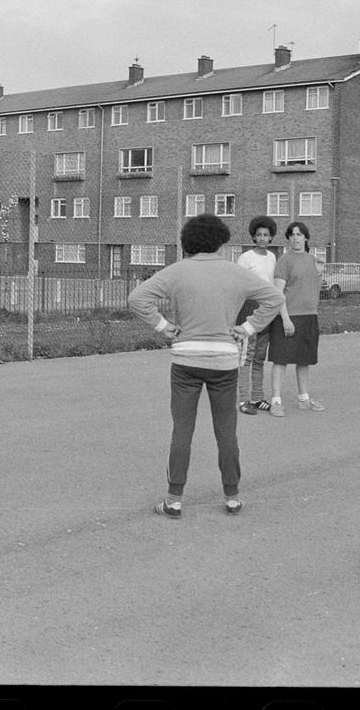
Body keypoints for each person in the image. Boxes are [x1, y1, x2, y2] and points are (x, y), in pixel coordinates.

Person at [128, 214, 284, 519]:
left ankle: (174, 499)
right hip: (224, 361)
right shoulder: (235, 272)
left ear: (189, 242)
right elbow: (275, 298)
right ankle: (232, 497)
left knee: (182, 431)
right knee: (226, 431)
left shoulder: (177, 271)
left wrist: (163, 326)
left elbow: (138, 298)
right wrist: (249, 328)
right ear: (220, 240)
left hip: (185, 359)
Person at [267, 221, 326, 416]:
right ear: (288, 239)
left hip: (309, 316)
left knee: (304, 360)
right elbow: (278, 293)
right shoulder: (284, 260)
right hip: (289, 317)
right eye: (292, 235)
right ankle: (276, 401)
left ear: (306, 237)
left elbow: (312, 286)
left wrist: (320, 273)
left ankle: (304, 399)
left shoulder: (312, 260)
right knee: (281, 360)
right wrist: (285, 319)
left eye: (299, 234)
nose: (295, 238)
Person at [235, 216, 278, 416]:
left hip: (267, 309)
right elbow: (239, 287)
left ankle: (257, 398)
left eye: (266, 235)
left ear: (271, 238)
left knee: (260, 357)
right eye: (259, 235)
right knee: (247, 356)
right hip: (249, 309)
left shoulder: (272, 257)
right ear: (253, 236)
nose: (262, 238)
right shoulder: (245, 258)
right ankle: (244, 400)